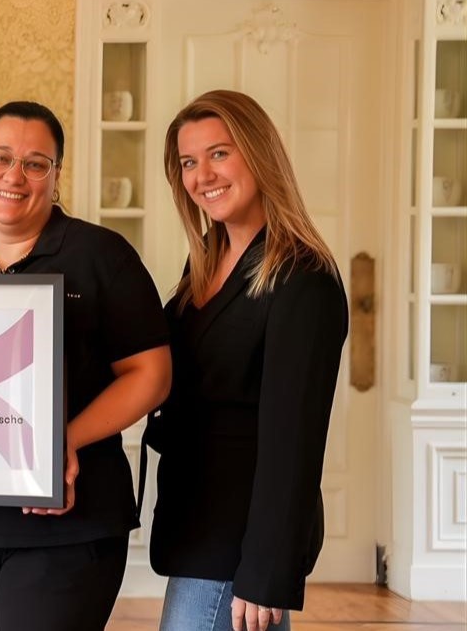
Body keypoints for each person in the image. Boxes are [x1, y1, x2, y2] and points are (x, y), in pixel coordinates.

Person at [0, 101, 171, 631]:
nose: (14, 176)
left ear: (57, 175)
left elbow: (152, 375)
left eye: (35, 163)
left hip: (69, 528)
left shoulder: (103, 257)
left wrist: (62, 441)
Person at [149, 90, 347, 631]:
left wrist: (265, 573)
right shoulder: (203, 273)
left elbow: (294, 442)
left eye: (219, 153)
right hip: (197, 528)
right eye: (189, 162)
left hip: (237, 552)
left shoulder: (302, 279)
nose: (202, 175)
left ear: (258, 154)